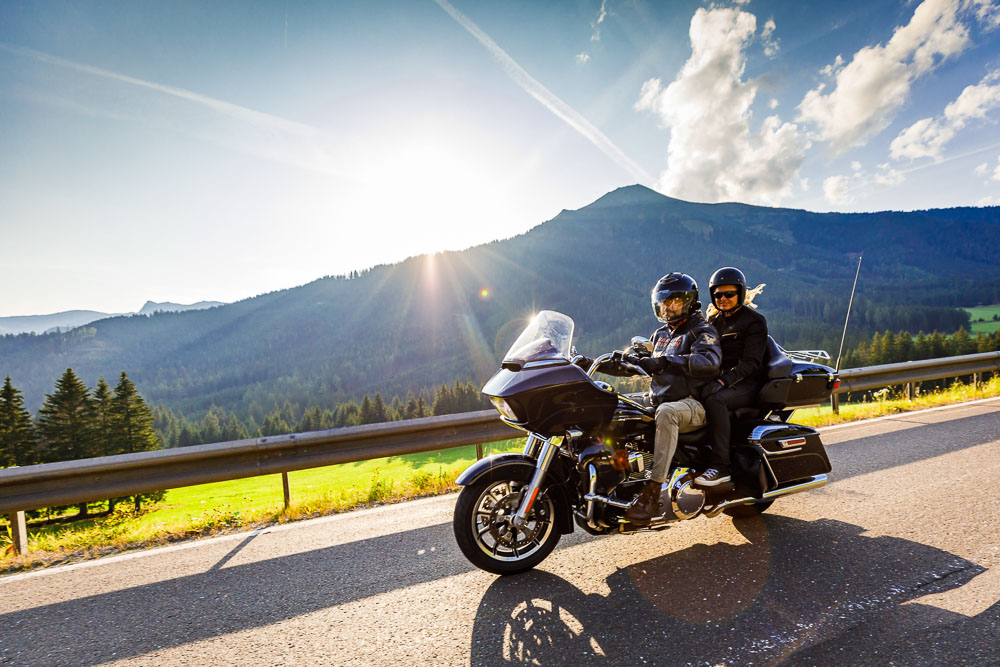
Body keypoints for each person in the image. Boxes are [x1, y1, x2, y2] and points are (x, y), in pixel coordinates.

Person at [618, 273, 722, 525]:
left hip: (692, 404)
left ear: (689, 301)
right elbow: (643, 365)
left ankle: (652, 492)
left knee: (666, 412)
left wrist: (667, 361)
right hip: (662, 398)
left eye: (674, 300)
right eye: (663, 301)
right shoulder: (661, 335)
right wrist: (591, 364)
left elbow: (709, 361)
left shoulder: (702, 331)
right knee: (618, 405)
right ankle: (620, 479)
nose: (667, 306)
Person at [695, 267, 768, 487]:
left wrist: (723, 381)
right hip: (720, 380)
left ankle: (720, 467)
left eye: (729, 294)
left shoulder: (753, 321)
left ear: (741, 293)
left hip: (746, 383)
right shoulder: (713, 321)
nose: (723, 299)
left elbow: (752, 363)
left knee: (715, 399)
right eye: (718, 295)